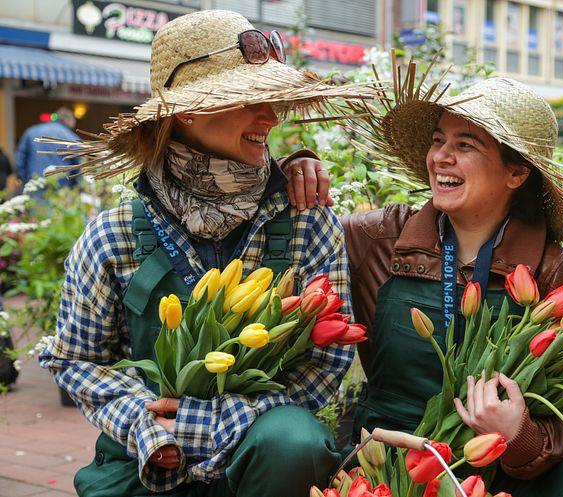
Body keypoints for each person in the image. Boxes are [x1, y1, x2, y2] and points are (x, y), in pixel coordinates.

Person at [39, 10, 373, 497]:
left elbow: (327, 360)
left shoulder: (306, 220)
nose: (272, 117)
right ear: (188, 111)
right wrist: (145, 423)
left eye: (273, 99)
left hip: (261, 453)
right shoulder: (114, 236)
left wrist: (208, 421)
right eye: (250, 100)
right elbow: (77, 360)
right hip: (146, 455)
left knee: (294, 441)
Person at [342, 77, 563, 496]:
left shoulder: (549, 267)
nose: (440, 158)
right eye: (438, 141)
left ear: (517, 173)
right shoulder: (378, 239)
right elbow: (294, 225)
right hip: (391, 457)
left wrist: (520, 433)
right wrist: (298, 167)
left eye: (465, 145)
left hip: (494, 466)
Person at [15, 107, 81, 195]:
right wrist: (75, 185)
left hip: (34, 183)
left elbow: (19, 158)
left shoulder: (31, 131)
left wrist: (23, 180)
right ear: (69, 120)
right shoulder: (70, 137)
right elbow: (80, 163)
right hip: (60, 187)